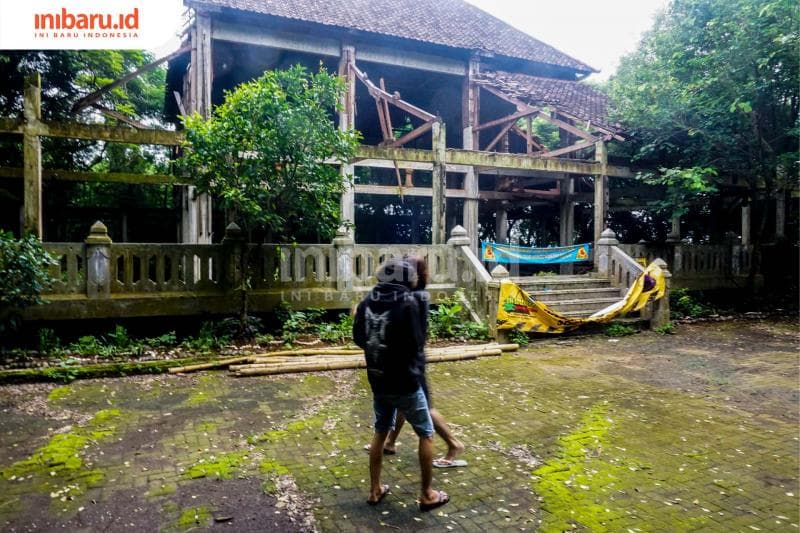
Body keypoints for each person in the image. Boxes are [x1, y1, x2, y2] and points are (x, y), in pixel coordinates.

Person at [353, 258, 449, 512]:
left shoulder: (366, 302)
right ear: (405, 280)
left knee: (379, 432)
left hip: (377, 379)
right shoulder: (408, 302)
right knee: (426, 434)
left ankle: (375, 490)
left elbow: (359, 338)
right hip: (405, 381)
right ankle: (428, 494)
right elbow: (416, 343)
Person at [377, 255, 466, 468]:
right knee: (402, 405)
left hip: (411, 362)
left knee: (424, 407)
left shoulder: (414, 297)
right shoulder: (416, 294)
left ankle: (454, 444)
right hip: (410, 360)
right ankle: (389, 442)